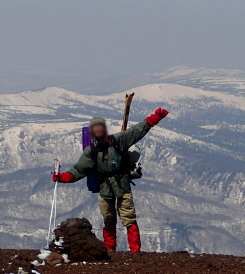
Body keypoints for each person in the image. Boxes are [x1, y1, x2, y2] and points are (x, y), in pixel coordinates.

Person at [52, 108, 169, 252]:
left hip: (122, 186)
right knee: (109, 220)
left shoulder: (118, 141)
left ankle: (135, 251)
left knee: (128, 219)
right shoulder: (91, 152)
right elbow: (78, 171)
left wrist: (155, 118)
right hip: (106, 189)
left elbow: (138, 131)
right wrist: (61, 178)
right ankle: (111, 250)